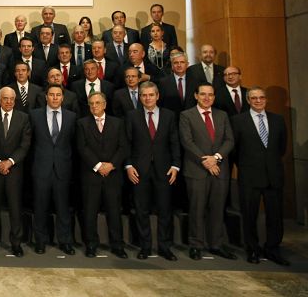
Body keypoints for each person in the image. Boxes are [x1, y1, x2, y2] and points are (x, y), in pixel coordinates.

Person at [231, 87, 289, 265]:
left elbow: (281, 148)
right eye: (254, 98)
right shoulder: (238, 120)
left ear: (266, 100)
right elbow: (234, 150)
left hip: (273, 176)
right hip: (249, 176)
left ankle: (273, 249)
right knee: (250, 215)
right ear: (248, 100)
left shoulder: (278, 120)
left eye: (261, 98)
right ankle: (253, 249)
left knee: (275, 216)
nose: (258, 101)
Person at [179, 82, 236, 260]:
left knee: (217, 209)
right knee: (197, 209)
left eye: (210, 95)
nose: (206, 98)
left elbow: (229, 140)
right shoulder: (186, 115)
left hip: (220, 170)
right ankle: (196, 245)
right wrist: (206, 161)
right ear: (196, 95)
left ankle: (216, 245)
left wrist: (216, 158)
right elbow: (187, 142)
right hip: (197, 169)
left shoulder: (222, 115)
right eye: (203, 94)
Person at [124, 82, 180, 261]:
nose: (147, 98)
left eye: (150, 95)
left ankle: (165, 247)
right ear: (140, 97)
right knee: (141, 210)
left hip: (164, 170)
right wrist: (128, 165)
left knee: (165, 210)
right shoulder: (132, 116)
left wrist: (175, 165)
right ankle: (145, 246)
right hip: (139, 171)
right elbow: (126, 143)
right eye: (143, 95)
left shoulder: (169, 116)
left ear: (157, 96)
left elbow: (174, 142)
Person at [77, 91, 130, 258]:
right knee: (90, 212)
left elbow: (123, 147)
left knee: (114, 212)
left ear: (105, 104)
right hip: (91, 175)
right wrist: (99, 165)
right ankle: (91, 245)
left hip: (112, 175)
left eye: (97, 103)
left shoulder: (118, 123)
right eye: (91, 104)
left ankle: (117, 245)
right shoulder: (82, 123)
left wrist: (111, 165)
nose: (94, 106)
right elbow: (82, 147)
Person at [0, 87, 31, 257]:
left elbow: (24, 145)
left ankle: (16, 243)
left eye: (12, 98)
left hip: (14, 170)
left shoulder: (23, 118)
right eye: (5, 98)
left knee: (15, 208)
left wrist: (9, 162)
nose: (9, 101)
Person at [29, 83, 77, 255]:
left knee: (63, 208)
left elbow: (73, 143)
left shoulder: (72, 117)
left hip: (63, 169)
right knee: (40, 207)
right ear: (46, 97)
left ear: (63, 97)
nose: (55, 98)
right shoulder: (34, 115)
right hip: (41, 168)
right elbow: (30, 142)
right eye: (52, 95)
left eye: (58, 95)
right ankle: (40, 241)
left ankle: (65, 241)